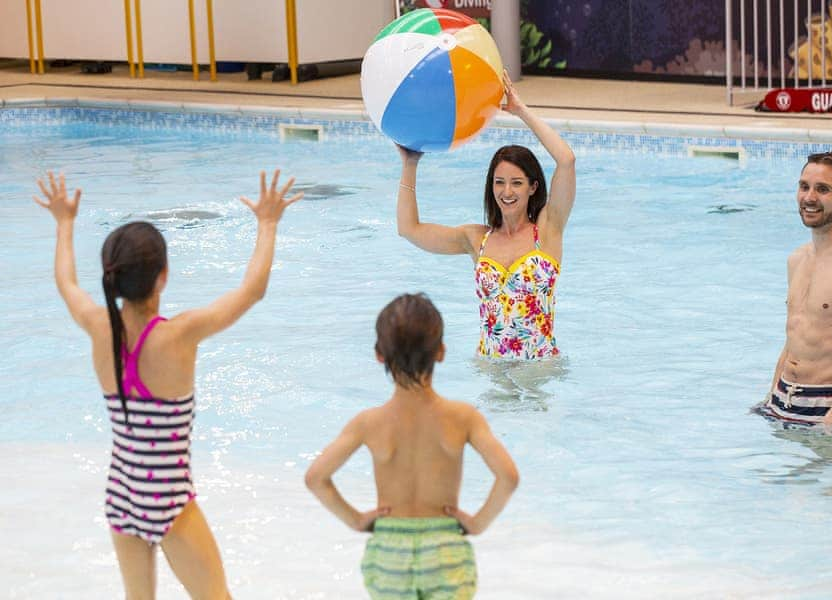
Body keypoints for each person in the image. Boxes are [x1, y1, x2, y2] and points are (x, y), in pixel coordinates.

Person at [34, 170, 302, 598]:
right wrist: (268, 223)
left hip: (121, 495)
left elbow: (66, 283)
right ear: (163, 276)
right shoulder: (180, 334)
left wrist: (64, 224)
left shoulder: (97, 326)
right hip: (168, 502)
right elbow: (252, 291)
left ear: (111, 277)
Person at [305, 293, 519, 599]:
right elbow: (508, 477)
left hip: (389, 551)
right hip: (445, 550)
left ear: (380, 355)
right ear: (441, 352)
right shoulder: (463, 418)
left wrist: (356, 520)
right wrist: (477, 523)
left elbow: (316, 478)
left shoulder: (368, 423)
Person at [396, 72, 576, 360]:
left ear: (533, 187)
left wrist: (521, 111)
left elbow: (566, 161)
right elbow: (408, 229)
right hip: (490, 368)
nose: (507, 191)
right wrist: (410, 164)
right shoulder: (476, 238)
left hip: (540, 370)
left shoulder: (547, 229)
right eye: (499, 182)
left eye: (517, 183)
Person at [762, 151, 832, 425]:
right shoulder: (796, 259)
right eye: (804, 186)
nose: (809, 197)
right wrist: (770, 398)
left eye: (823, 189)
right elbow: (793, 336)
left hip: (829, 409)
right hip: (784, 402)